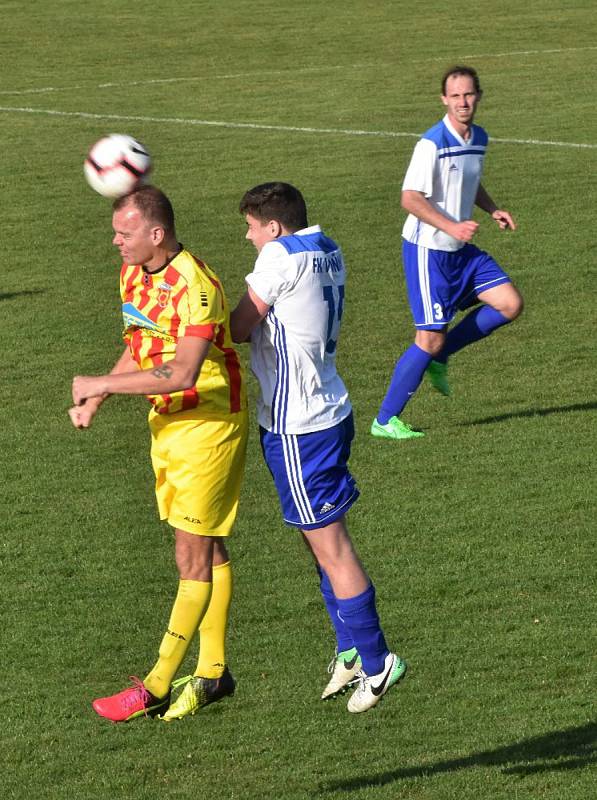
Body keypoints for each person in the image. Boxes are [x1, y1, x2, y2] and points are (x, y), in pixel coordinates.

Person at [69, 185, 248, 722]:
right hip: (167, 425)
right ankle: (214, 673)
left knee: (190, 558)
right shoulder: (133, 272)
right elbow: (141, 343)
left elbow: (185, 371)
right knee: (207, 550)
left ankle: (155, 684)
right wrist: (99, 395)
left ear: (156, 233)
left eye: (124, 233)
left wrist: (99, 381)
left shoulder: (197, 286)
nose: (116, 241)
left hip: (208, 425)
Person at [230, 182, 407, 713]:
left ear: (275, 228)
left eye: (252, 227)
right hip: (328, 410)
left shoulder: (280, 256)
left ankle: (378, 662)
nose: (248, 236)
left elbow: (240, 325)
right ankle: (351, 648)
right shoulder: (326, 246)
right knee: (317, 542)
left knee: (332, 546)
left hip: (299, 426)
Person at [372, 65, 524, 440]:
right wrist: (452, 226)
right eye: (455, 96)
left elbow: (468, 182)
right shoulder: (432, 143)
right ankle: (385, 420)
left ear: (479, 96)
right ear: (444, 99)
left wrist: (493, 209)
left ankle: (442, 354)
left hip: (461, 249)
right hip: (429, 252)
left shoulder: (478, 138)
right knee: (428, 337)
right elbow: (410, 198)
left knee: (509, 304)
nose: (462, 102)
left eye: (469, 94)